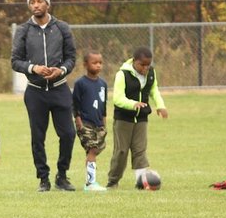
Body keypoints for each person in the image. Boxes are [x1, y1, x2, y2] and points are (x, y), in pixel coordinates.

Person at [11, 0, 77, 192]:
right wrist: (34, 68)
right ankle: (43, 178)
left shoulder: (62, 28)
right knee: (37, 137)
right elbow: (15, 61)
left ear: (48, 3)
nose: (36, 5)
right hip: (35, 92)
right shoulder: (23, 30)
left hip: (59, 89)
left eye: (39, 1)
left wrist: (62, 70)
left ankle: (62, 175)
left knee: (67, 134)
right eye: (32, 2)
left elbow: (71, 58)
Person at [106, 46, 168, 189]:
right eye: (142, 65)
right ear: (134, 61)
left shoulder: (151, 73)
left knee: (140, 150)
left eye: (148, 65)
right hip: (123, 118)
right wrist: (133, 104)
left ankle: (142, 181)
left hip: (141, 119)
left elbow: (154, 90)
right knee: (121, 151)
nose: (145, 68)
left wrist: (160, 106)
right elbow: (117, 98)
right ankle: (113, 181)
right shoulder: (122, 74)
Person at [72, 51, 108, 192]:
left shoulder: (103, 84)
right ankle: (90, 183)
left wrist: (104, 123)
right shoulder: (80, 83)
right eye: (94, 63)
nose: (98, 65)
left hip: (98, 124)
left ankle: (90, 181)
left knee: (94, 150)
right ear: (85, 65)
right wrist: (78, 120)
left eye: (100, 63)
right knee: (92, 149)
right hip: (85, 123)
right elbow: (75, 104)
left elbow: (104, 104)